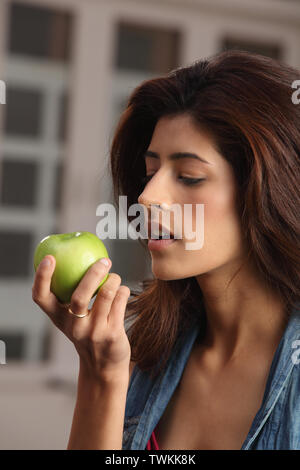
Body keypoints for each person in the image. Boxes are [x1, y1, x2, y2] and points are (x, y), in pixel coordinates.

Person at [32, 49, 300, 450]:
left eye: (189, 177)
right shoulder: (149, 350)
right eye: (150, 172)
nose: (147, 197)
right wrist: (100, 376)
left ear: (266, 193)